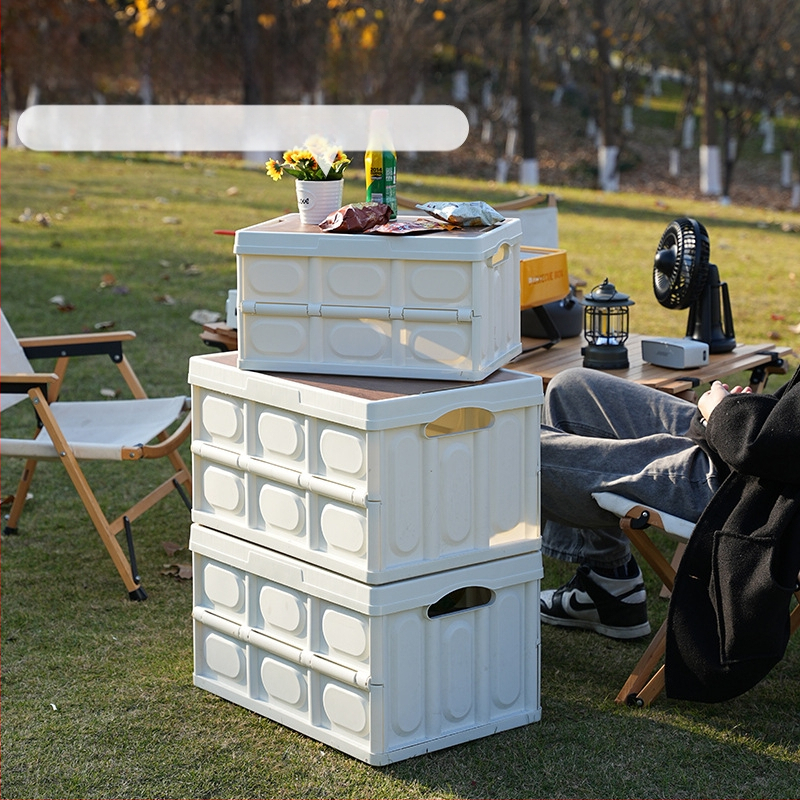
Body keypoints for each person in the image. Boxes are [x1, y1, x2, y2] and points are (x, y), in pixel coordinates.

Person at [538, 363, 800, 647]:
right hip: (745, 445)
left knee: (509, 444)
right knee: (572, 388)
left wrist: (725, 413)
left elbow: (775, 452)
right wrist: (743, 410)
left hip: (750, 491)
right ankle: (607, 582)